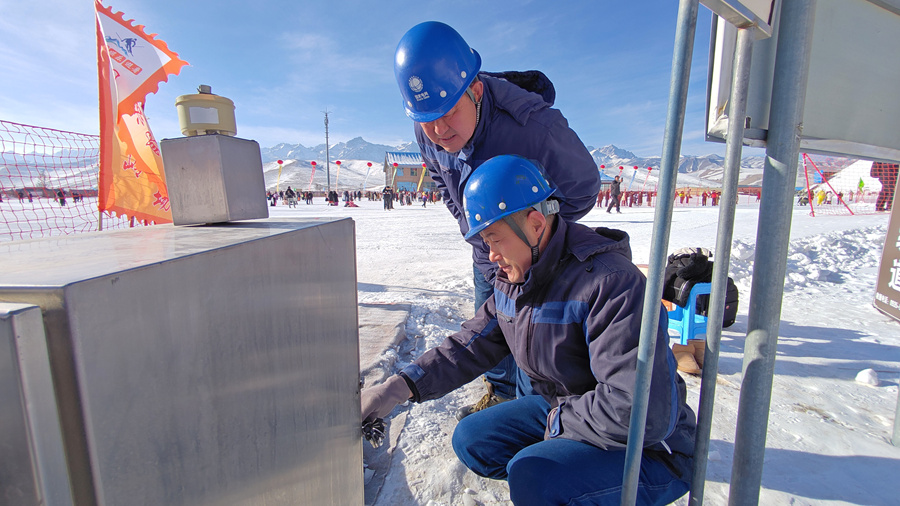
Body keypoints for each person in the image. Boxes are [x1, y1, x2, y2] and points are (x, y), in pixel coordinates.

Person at [361, 156, 695, 505]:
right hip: (568, 410)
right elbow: (470, 345)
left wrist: (554, 431)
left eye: (495, 240)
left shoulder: (611, 285)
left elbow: (640, 410)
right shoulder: (515, 280)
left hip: (651, 447)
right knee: (473, 439)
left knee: (533, 473)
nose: (491, 256)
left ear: (535, 224)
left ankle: (564, 486)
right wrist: (397, 388)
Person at [394, 21, 601, 417]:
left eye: (449, 112)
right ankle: (501, 395)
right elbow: (440, 177)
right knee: (489, 328)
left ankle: (533, 416)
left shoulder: (534, 128)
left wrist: (536, 236)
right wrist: (478, 231)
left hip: (534, 259)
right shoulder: (427, 126)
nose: (439, 129)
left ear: (475, 90)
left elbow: (584, 187)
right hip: (485, 256)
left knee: (534, 342)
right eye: (427, 119)